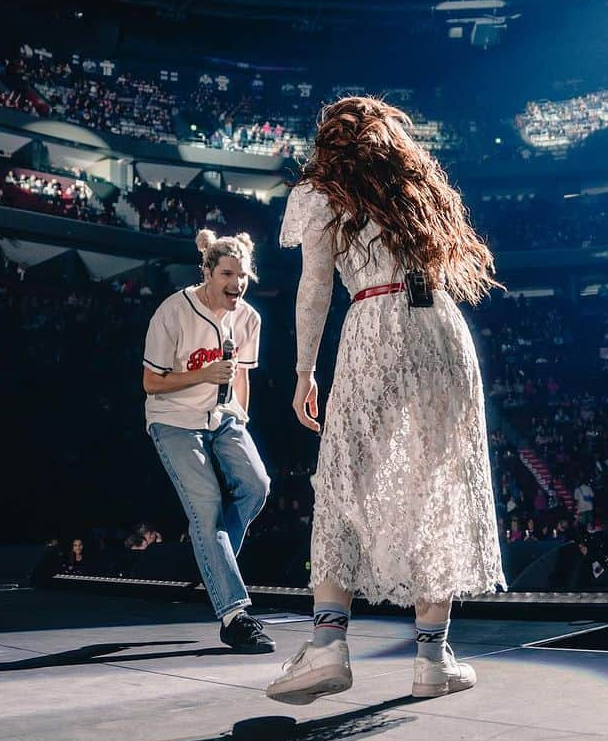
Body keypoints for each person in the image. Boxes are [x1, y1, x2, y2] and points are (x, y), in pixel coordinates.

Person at [267, 96, 505, 705]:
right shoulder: (417, 185)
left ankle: (327, 645)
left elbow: (315, 289)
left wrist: (302, 372)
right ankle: (433, 657)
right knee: (439, 484)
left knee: (345, 478)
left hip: (373, 321)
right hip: (441, 330)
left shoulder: (320, 193)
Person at [142, 230, 274, 653]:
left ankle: (214, 562)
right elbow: (150, 383)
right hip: (174, 420)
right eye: (227, 274)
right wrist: (201, 374)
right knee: (207, 508)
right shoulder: (172, 311)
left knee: (257, 485)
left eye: (243, 275)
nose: (237, 283)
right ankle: (235, 615)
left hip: (224, 418)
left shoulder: (248, 317)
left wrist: (242, 418)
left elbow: (242, 374)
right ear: (207, 272)